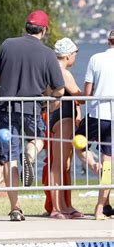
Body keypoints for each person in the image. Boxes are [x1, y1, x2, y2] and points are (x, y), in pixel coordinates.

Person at [0, 10, 65, 221]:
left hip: (5, 108)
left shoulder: (7, 44)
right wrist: (50, 97)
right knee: (39, 139)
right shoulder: (48, 53)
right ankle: (30, 154)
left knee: (8, 158)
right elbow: (59, 88)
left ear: (26, 27)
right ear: (44, 30)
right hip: (31, 108)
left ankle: (15, 207)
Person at [43, 38, 85, 219]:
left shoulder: (47, 70)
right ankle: (58, 208)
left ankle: (64, 205)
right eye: (75, 54)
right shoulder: (64, 73)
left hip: (52, 118)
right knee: (59, 164)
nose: (75, 57)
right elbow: (81, 97)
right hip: (63, 118)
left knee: (62, 164)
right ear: (68, 55)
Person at [76, 30, 114, 220]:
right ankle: (101, 207)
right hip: (113, 117)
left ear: (108, 41)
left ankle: (93, 165)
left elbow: (87, 92)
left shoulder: (96, 58)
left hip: (97, 114)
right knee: (108, 162)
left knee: (77, 143)